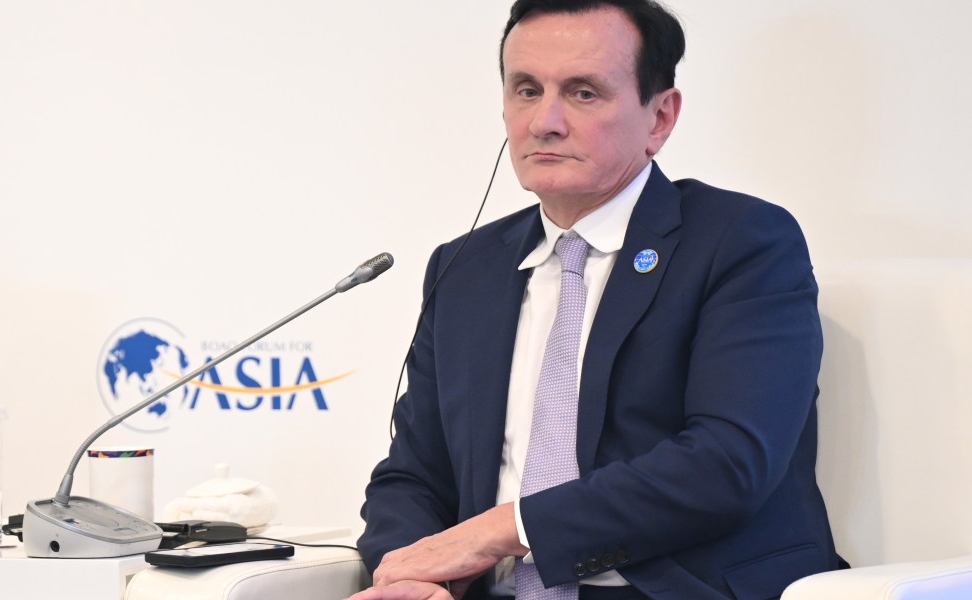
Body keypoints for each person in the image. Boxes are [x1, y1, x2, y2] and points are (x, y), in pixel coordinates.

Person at [352, 1, 842, 599]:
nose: (545, 122)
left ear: (660, 117)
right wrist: (414, 573)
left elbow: (727, 463)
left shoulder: (741, 242)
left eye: (583, 93)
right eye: (526, 90)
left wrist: (507, 530)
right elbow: (412, 476)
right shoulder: (465, 268)